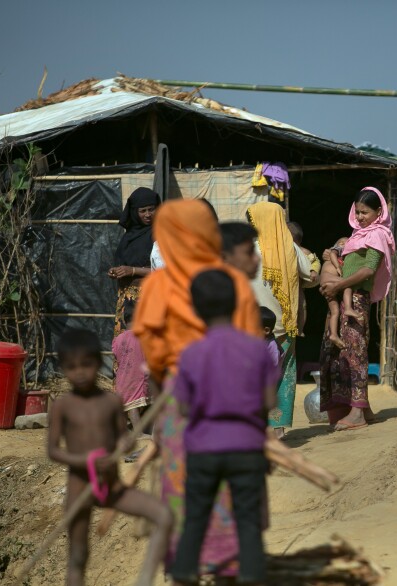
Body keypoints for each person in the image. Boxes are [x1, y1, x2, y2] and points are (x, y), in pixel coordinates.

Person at [133, 199, 261, 579]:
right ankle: (230, 564)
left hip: (180, 401)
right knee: (235, 495)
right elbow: (251, 346)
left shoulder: (158, 284)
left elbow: (151, 349)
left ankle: (186, 565)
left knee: (184, 488)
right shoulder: (232, 281)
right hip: (232, 400)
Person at [170, 271, 277, 585]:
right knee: (248, 523)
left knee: (195, 520)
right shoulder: (257, 349)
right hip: (246, 446)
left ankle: (185, 576)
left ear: (196, 309)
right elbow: (268, 401)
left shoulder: (191, 354)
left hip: (203, 447)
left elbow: (183, 407)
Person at [48, 328, 172, 586]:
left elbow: (123, 440)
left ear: (98, 363)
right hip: (79, 488)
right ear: (63, 368)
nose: (79, 372)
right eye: (71, 367)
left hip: (113, 487)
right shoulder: (62, 405)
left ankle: (145, 580)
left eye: (87, 364)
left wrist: (125, 443)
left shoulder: (113, 401)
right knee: (79, 554)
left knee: (164, 516)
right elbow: (53, 450)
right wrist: (85, 461)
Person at [319, 187, 396, 431]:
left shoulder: (378, 235)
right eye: (358, 212)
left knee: (355, 353)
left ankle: (357, 414)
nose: (360, 217)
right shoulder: (358, 235)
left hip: (357, 300)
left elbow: (368, 270)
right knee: (344, 353)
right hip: (344, 297)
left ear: (379, 211)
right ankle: (364, 409)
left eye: (365, 212)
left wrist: (339, 285)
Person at [246, 202, 314, 439]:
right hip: (284, 326)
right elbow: (312, 277)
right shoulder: (291, 249)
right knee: (283, 377)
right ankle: (277, 429)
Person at [108, 187, 160, 335]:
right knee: (128, 348)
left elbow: (165, 270)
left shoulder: (161, 233)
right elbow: (123, 262)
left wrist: (132, 270)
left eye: (151, 209)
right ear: (134, 212)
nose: (148, 215)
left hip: (150, 299)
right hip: (127, 301)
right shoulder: (129, 237)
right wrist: (116, 271)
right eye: (143, 211)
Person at [111, 305, 150, 429]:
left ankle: (123, 433)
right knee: (134, 407)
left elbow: (116, 356)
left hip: (122, 380)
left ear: (123, 320)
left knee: (124, 406)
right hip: (137, 379)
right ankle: (139, 435)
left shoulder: (118, 339)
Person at [287, 221, 321, 334]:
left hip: (298, 286)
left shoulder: (303, 252)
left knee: (302, 306)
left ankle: (300, 329)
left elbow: (315, 262)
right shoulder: (279, 250)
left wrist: (314, 271)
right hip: (285, 288)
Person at [320, 236, 354, 349]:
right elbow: (332, 254)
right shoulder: (335, 252)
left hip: (329, 283)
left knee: (335, 312)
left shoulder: (345, 258)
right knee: (348, 283)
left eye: (346, 243)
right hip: (327, 278)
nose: (343, 245)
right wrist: (338, 267)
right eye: (341, 242)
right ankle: (348, 308)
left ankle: (333, 335)